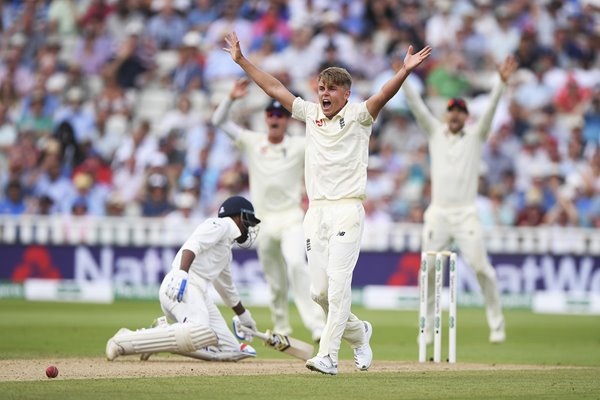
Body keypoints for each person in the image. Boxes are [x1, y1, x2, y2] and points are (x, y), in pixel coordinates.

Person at [224, 31, 432, 374]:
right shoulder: (310, 115)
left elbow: (383, 94)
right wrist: (242, 61)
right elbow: (274, 88)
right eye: (321, 88)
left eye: (331, 89)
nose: (324, 94)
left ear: (345, 94)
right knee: (319, 293)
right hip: (315, 211)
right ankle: (360, 333)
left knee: (337, 286)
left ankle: (330, 356)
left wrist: (405, 71)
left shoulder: (360, 116)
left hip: (348, 208)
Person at [402, 56, 518, 344]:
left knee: (481, 268)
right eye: (451, 111)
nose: (454, 115)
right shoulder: (434, 132)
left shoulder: (476, 135)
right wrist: (404, 78)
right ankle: (427, 329)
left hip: (466, 214)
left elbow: (490, 110)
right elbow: (418, 107)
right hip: (438, 213)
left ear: (466, 117)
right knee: (427, 270)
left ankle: (497, 325)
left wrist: (501, 83)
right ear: (445, 115)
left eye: (459, 112)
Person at [211, 79, 325, 342]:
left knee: (296, 263)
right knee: (274, 279)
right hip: (262, 222)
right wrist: (230, 98)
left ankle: (317, 325)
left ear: (287, 120)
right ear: (265, 118)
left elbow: (322, 132)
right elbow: (219, 122)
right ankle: (282, 327)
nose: (275, 119)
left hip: (291, 218)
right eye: (271, 114)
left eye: (280, 115)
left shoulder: (298, 145)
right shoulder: (253, 141)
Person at [106, 195, 262, 362]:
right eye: (248, 221)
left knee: (229, 351)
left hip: (197, 296)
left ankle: (155, 338)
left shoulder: (225, 251)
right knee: (199, 329)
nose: (249, 227)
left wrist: (244, 316)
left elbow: (226, 289)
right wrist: (182, 274)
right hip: (182, 287)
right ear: (238, 217)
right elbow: (193, 244)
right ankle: (123, 341)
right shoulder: (220, 224)